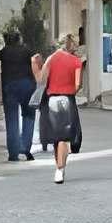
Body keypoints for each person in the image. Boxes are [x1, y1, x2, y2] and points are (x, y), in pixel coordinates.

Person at [33, 32, 84, 184]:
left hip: (52, 99)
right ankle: (60, 170)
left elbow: (41, 80)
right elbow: (77, 84)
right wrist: (70, 91)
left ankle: (59, 166)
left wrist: (35, 66)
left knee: (58, 137)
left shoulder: (51, 58)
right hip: (67, 99)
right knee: (64, 138)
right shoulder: (76, 61)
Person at [0, 29, 38, 161]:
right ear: (19, 39)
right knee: (29, 115)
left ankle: (13, 153)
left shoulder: (3, 53)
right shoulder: (27, 51)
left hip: (9, 87)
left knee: (11, 119)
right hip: (27, 85)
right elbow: (35, 67)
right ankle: (25, 147)